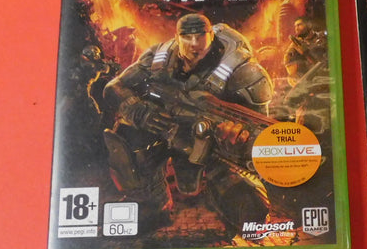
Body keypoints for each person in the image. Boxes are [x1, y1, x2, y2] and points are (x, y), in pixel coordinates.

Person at [102, 13, 274, 234]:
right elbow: (114, 87)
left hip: (213, 146)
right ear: (177, 37)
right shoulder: (158, 58)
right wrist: (139, 111)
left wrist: (238, 140)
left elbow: (263, 133)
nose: (194, 44)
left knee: (252, 213)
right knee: (125, 135)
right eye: (187, 37)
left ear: (211, 36)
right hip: (164, 130)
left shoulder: (245, 73)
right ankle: (152, 201)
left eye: (200, 36)